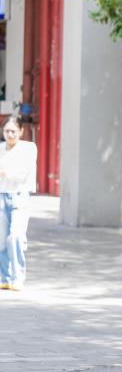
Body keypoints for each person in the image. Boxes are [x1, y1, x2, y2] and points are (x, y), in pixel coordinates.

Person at [0, 116, 37, 291]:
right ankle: (5, 277)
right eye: (7, 131)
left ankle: (18, 277)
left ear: (21, 131)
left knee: (15, 236)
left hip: (20, 196)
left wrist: (6, 172)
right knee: (2, 240)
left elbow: (23, 174)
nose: (10, 134)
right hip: (1, 196)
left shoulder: (29, 148)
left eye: (13, 131)